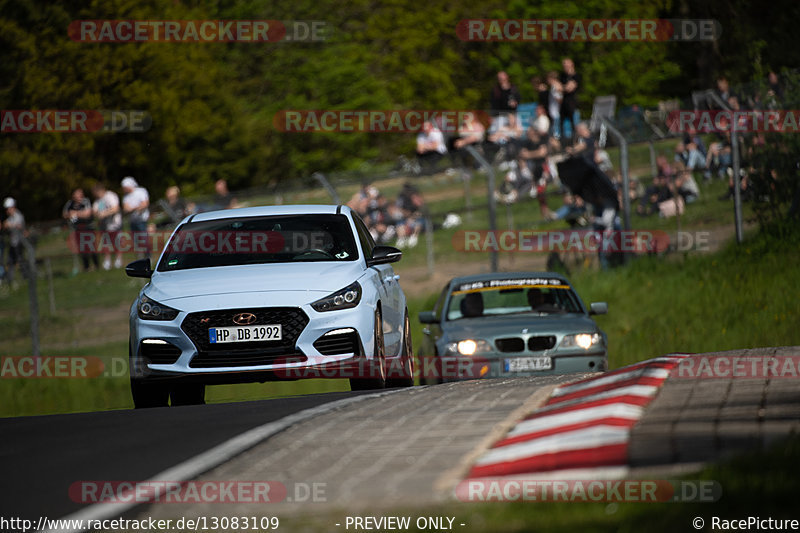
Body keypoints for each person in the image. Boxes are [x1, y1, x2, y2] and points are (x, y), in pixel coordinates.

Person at [63, 188, 99, 273]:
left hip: (88, 227)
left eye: (81, 193)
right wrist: (74, 214)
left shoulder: (86, 201)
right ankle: (86, 267)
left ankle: (97, 265)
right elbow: (65, 214)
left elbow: (87, 214)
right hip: (77, 229)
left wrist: (74, 213)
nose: (80, 195)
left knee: (92, 247)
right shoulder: (69, 203)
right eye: (77, 194)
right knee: (82, 248)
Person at [92, 182, 123, 270]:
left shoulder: (110, 196)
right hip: (104, 226)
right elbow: (94, 210)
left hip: (114, 224)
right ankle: (107, 261)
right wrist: (98, 214)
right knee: (106, 243)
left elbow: (115, 208)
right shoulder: (98, 200)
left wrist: (104, 214)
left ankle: (118, 260)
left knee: (117, 242)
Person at [121, 177, 151, 260]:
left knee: (144, 239)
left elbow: (144, 204)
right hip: (132, 220)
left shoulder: (141, 191)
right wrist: (136, 208)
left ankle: (148, 256)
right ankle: (141, 257)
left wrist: (133, 208)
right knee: (136, 240)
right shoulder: (126, 197)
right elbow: (126, 208)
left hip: (141, 220)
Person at [3, 197, 26, 285]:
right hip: (13, 242)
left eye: (8, 208)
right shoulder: (10, 218)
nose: (7, 211)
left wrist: (10, 225)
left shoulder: (18, 216)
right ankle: (10, 279)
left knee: (20, 260)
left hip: (19, 242)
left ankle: (26, 276)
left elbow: (19, 226)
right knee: (10, 261)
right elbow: (6, 225)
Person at [559, 58, 581, 141]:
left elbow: (569, 88)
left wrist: (562, 87)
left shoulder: (576, 76)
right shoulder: (562, 76)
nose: (565, 67)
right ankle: (564, 142)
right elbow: (558, 87)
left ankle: (576, 141)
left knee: (574, 124)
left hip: (572, 104)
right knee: (561, 125)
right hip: (563, 104)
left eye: (566, 65)